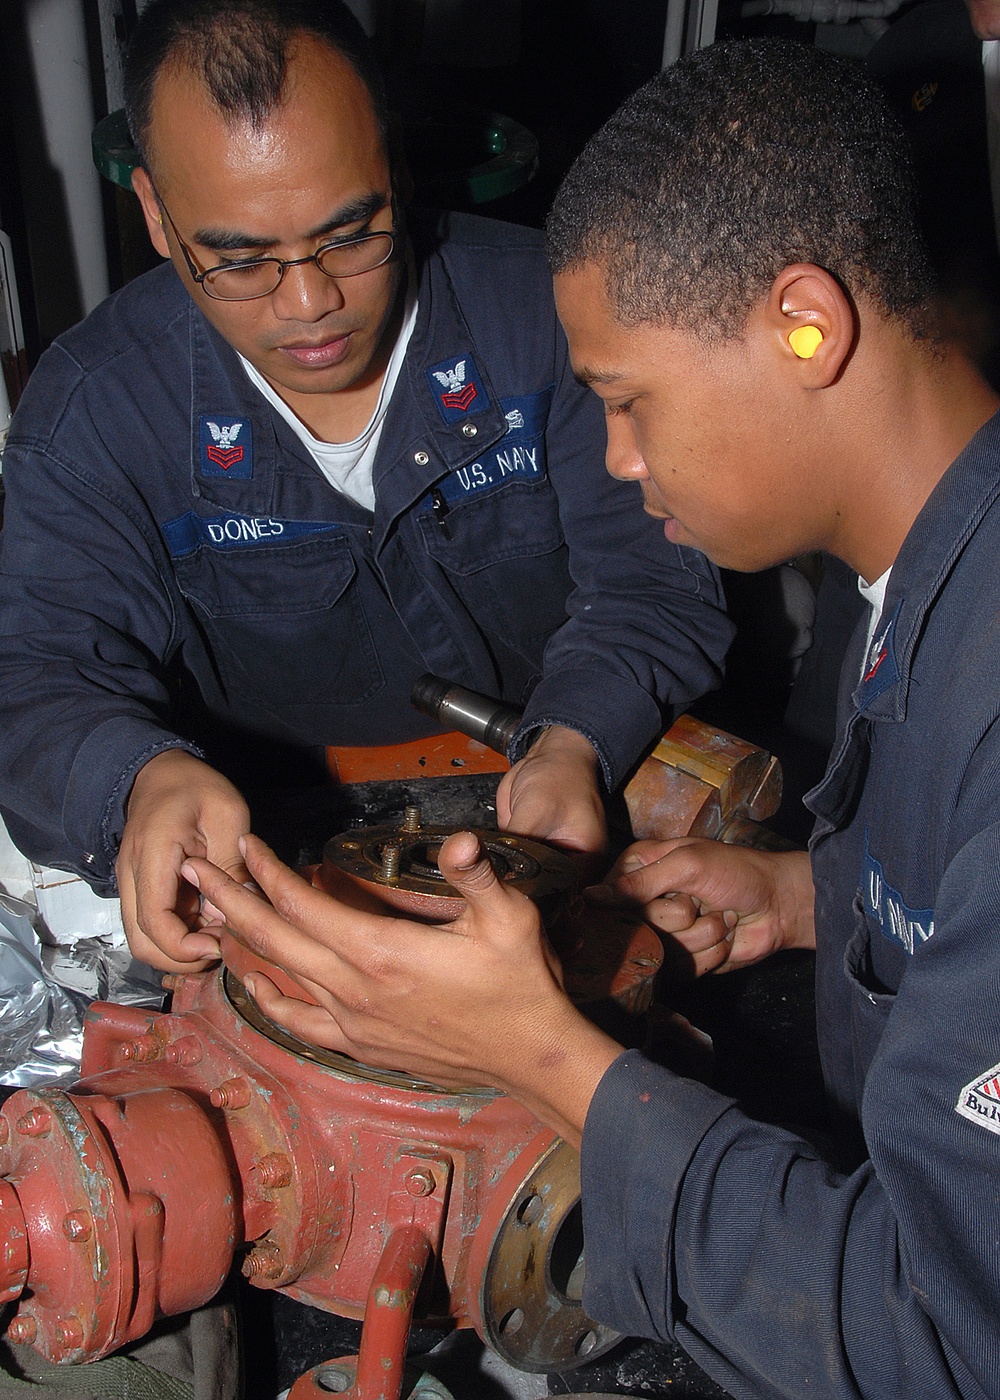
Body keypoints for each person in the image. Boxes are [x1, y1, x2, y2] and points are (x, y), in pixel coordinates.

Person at [187, 38, 1000, 1399]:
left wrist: (537, 1054)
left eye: (628, 402)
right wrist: (823, 899)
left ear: (805, 322)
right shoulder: (911, 590)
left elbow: (934, 1330)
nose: (618, 461)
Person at [0, 0, 730, 974]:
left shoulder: (552, 323)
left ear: (397, 167)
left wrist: (574, 742)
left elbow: (652, 582)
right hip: (267, 859)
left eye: (351, 235)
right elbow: (38, 671)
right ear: (156, 216)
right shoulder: (96, 413)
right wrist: (137, 782)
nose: (309, 305)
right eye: (241, 257)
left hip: (554, 794)